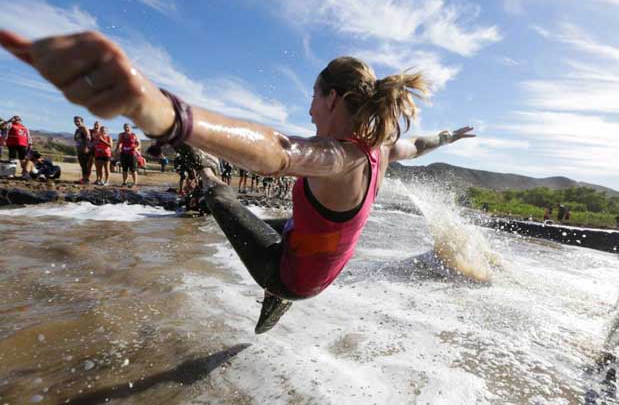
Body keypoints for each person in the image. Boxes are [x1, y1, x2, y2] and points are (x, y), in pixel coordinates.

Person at [0, 30, 475, 333]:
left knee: (220, 196)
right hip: (308, 259)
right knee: (281, 221)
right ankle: (274, 298)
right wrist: (449, 136)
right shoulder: (382, 150)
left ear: (332, 98)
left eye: (313, 98)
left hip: (289, 275)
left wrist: (167, 114)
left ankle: (201, 169)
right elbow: (419, 146)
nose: (309, 109)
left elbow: (279, 152)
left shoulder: (339, 159)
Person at [115, 123, 141, 187]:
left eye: (127, 127)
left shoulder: (134, 135)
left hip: (132, 154)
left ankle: (134, 183)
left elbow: (139, 144)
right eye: (125, 127)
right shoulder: (121, 135)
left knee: (133, 169)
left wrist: (136, 148)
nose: (126, 128)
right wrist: (117, 149)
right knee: (124, 169)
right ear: (123, 128)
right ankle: (124, 182)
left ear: (130, 128)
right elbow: (119, 143)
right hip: (123, 153)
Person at [73, 116, 91, 184]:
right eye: (75, 121)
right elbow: (75, 138)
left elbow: (88, 138)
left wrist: (86, 147)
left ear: (82, 121)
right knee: (82, 165)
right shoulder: (78, 130)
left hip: (84, 150)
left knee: (85, 165)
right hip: (79, 149)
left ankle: (86, 180)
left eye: (78, 121)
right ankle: (84, 178)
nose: (76, 123)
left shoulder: (84, 128)